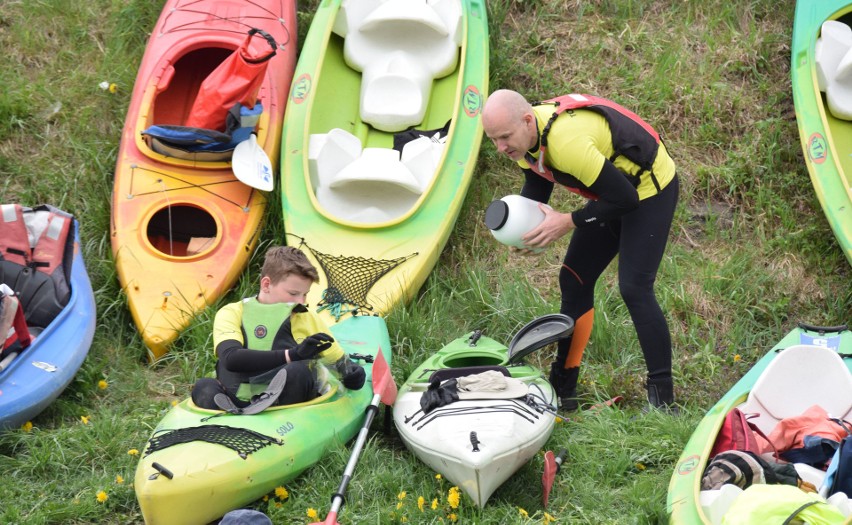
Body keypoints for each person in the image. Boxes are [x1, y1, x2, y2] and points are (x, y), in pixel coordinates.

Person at [481, 89, 679, 412]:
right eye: (493, 139)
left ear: (528, 121)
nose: (501, 147)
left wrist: (567, 221)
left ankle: (663, 400)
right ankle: (563, 391)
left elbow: (626, 199)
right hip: (615, 191)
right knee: (574, 279)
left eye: (504, 137)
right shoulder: (525, 141)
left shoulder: (566, 143)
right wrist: (527, 233)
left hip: (648, 191)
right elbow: (537, 182)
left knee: (634, 288)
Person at [191, 246, 366, 411]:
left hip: (286, 403)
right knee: (203, 388)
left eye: (304, 294)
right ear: (266, 284)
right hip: (238, 400)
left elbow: (340, 366)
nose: (301, 301)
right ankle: (231, 418)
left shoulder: (306, 317)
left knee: (297, 370)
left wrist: (353, 375)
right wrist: (293, 354)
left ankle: (274, 417)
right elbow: (230, 358)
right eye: (293, 293)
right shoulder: (232, 312)